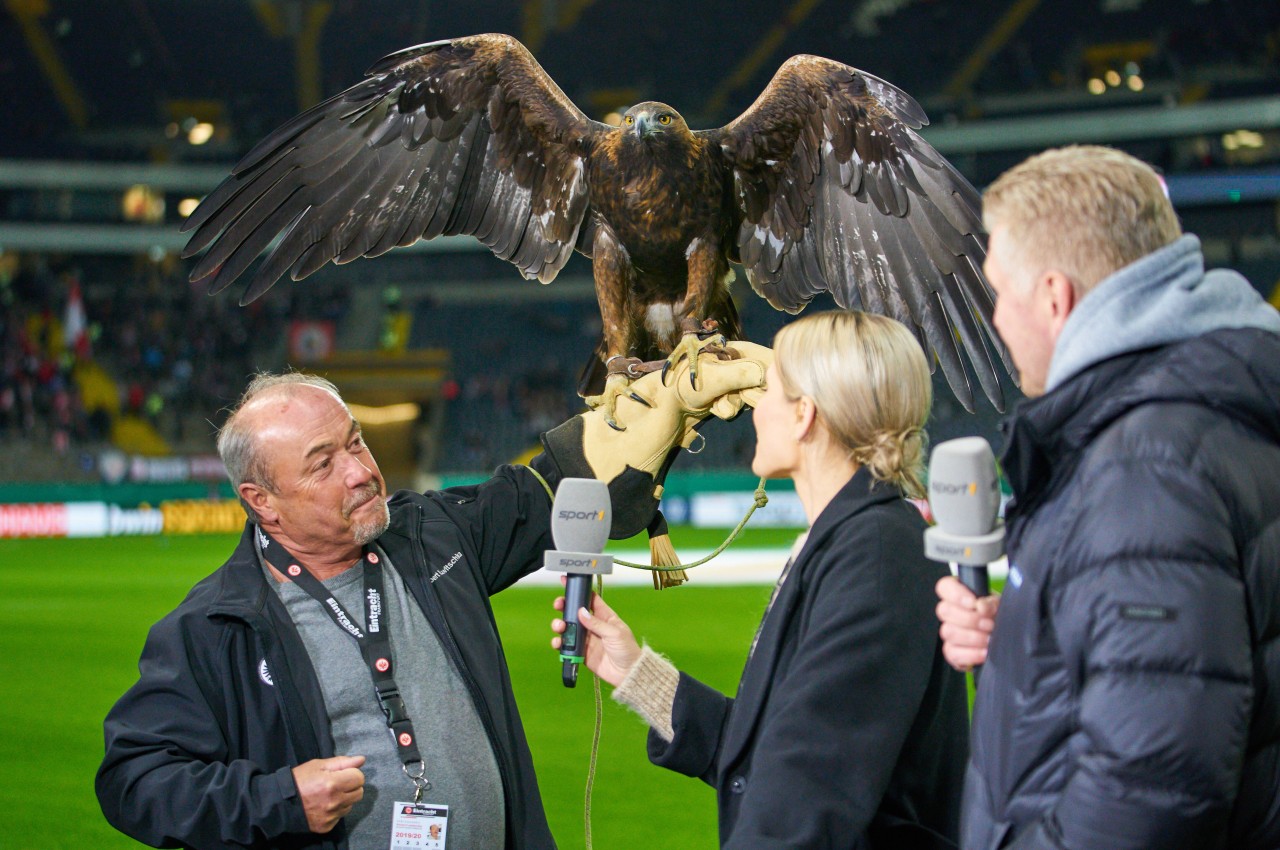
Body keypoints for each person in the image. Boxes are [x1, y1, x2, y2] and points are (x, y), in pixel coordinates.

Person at [97, 344, 769, 850]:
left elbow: (550, 491)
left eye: (356, 441)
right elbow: (133, 781)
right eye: (323, 463)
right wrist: (277, 798)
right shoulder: (215, 626)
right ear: (260, 502)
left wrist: (651, 408)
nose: (362, 471)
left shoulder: (433, 535)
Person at [934, 145, 1280, 849]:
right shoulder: (1204, 411)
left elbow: (1150, 790)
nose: (995, 321)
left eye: (999, 293)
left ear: (1055, 297)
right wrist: (1039, 638)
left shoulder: (1144, 466)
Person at [552, 310, 970, 848]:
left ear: (805, 416)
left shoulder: (879, 553)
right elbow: (775, 752)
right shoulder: (853, 539)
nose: (749, 406)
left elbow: (806, 794)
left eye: (768, 389)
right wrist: (637, 674)